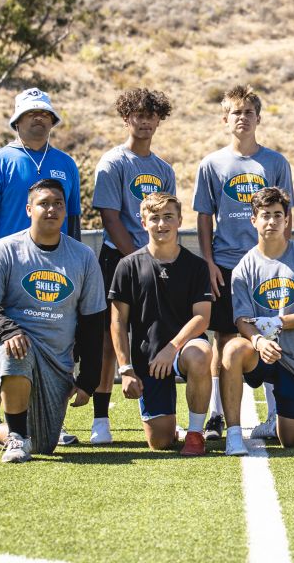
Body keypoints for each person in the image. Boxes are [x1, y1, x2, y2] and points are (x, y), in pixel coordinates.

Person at [0, 179, 105, 463]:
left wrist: (88, 379)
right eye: (44, 203)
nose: (51, 209)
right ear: (29, 209)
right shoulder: (4, 250)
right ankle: (15, 438)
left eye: (58, 204)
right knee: (17, 349)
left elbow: (93, 322)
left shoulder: (83, 257)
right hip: (10, 345)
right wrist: (8, 331)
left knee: (42, 445)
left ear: (65, 211)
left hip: (56, 360)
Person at [0, 88, 84, 446]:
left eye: (45, 114)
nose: (39, 118)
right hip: (7, 270)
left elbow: (75, 220)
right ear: (17, 121)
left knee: (56, 348)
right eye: (31, 113)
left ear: (52, 121)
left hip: (53, 271)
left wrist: (75, 265)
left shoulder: (65, 164)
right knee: (0, 344)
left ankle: (51, 420)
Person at [193, 84, 294, 441]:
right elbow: (204, 217)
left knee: (269, 329)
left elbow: (287, 216)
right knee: (223, 336)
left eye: (248, 112)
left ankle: (272, 413)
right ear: (225, 119)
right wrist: (208, 261)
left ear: (258, 118)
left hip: (265, 263)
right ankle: (218, 416)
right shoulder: (212, 163)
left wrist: (283, 256)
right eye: (235, 113)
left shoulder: (275, 162)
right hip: (224, 262)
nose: (242, 118)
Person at [89, 88, 177, 444]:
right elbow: (110, 217)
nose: (144, 121)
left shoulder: (163, 169)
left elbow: (168, 218)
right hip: (119, 259)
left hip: (155, 262)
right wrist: (137, 260)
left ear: (159, 119)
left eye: (150, 115)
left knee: (156, 335)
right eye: (137, 115)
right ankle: (100, 419)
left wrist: (158, 257)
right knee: (111, 339)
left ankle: (159, 412)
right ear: (126, 118)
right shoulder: (112, 163)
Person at [221, 187, 294, 456]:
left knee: (292, 440)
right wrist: (258, 340)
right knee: (233, 349)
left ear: (287, 219)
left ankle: (273, 423)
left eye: (277, 215)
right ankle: (234, 434)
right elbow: (241, 320)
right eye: (265, 215)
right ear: (253, 220)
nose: (271, 221)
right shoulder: (243, 268)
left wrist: (279, 322)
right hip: (260, 355)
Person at [107, 192, 214, 456]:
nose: (161, 224)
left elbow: (202, 317)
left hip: (183, 349)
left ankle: (195, 433)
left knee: (201, 354)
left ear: (179, 220)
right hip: (149, 360)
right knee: (161, 442)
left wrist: (172, 348)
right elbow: (118, 322)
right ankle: (170, 425)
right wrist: (127, 370)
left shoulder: (196, 266)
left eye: (168, 217)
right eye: (154, 218)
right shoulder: (127, 266)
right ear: (143, 223)